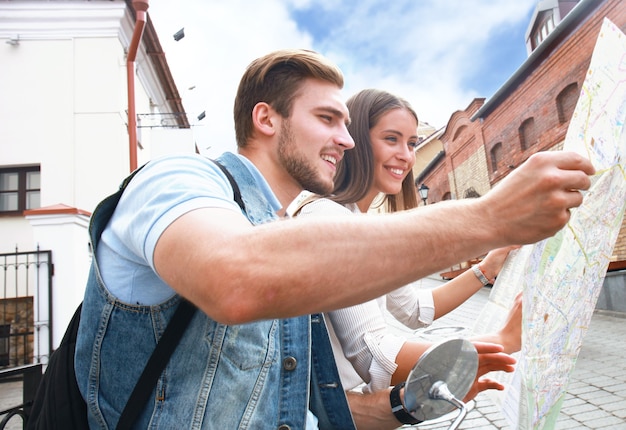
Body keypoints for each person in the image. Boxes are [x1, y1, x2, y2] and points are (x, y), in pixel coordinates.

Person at [74, 49, 594, 429]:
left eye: (347, 124)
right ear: (266, 118)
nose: (346, 140)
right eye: (327, 119)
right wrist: (491, 218)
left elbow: (313, 406)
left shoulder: (286, 239)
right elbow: (235, 277)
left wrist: (411, 403)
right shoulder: (175, 179)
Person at [287, 88, 522, 395]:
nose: (407, 155)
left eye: (411, 143)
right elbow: (377, 359)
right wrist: (502, 342)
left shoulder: (356, 221)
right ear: (355, 141)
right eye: (391, 139)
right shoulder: (329, 219)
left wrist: (487, 267)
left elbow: (415, 310)